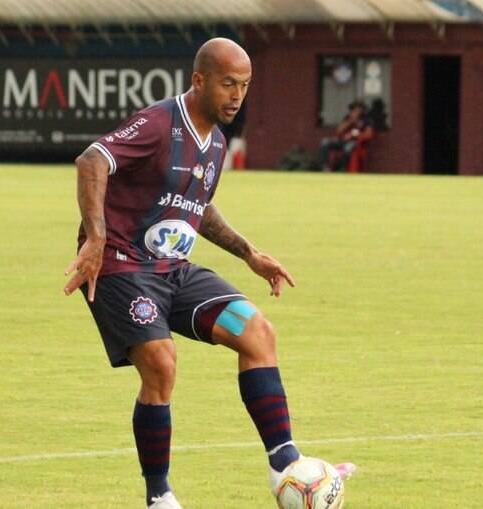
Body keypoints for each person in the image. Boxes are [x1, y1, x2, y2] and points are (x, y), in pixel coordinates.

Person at [62, 38, 355, 509]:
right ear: (198, 81)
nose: (236, 96)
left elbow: (197, 206)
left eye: (244, 86)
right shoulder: (160, 123)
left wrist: (248, 253)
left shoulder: (215, 141)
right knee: (161, 363)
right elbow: (93, 160)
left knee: (256, 331)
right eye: (227, 84)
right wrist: (95, 238)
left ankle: (284, 462)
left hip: (172, 269)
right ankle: (159, 496)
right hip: (121, 265)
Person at [318, 101, 375, 171]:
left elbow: (369, 135)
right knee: (325, 142)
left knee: (348, 148)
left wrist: (353, 134)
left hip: (356, 142)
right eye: (353, 109)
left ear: (362, 110)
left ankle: (343, 168)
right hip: (342, 141)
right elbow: (338, 131)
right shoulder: (348, 118)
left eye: (358, 109)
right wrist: (350, 121)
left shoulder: (366, 120)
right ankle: (325, 167)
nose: (355, 111)